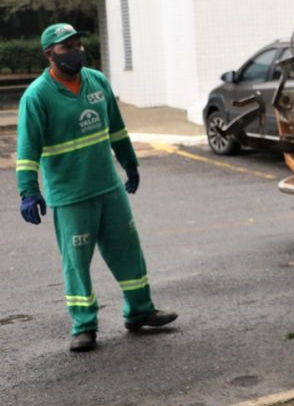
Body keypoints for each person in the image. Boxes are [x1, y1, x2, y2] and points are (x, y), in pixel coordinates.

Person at [16, 23, 177, 353]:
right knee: (77, 264)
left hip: (108, 188)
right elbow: (27, 150)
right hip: (71, 196)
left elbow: (117, 128)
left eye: (77, 44)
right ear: (49, 54)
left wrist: (129, 162)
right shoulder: (37, 96)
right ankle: (84, 326)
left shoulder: (97, 81)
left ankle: (140, 311)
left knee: (129, 252)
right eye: (66, 47)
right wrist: (28, 190)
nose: (75, 51)